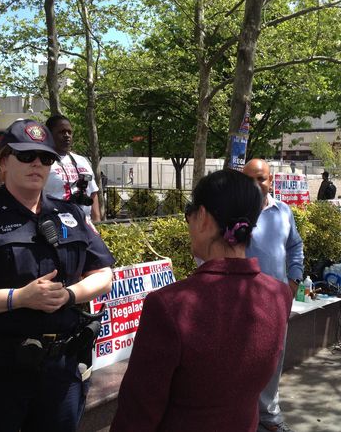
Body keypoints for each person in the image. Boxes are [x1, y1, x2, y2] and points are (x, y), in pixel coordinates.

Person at [0, 119, 115, 432]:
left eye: (46, 158)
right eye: (26, 156)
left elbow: (103, 273)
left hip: (60, 371)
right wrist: (18, 298)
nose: (37, 164)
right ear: (3, 162)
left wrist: (70, 295)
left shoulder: (68, 214)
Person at [110, 169, 292, 432]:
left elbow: (138, 411)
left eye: (190, 212)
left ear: (204, 218)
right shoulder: (278, 295)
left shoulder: (169, 306)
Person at [243, 158, 304, 432]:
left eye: (262, 179)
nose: (256, 185)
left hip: (276, 301)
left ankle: (268, 415)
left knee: (273, 358)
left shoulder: (283, 211)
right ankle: (244, 418)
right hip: (241, 303)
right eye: (250, 179)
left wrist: (293, 280)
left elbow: (295, 245)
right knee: (242, 360)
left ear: (271, 181)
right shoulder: (232, 213)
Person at [44, 115, 101, 222]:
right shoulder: (42, 162)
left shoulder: (82, 161)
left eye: (69, 132)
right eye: (62, 132)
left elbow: (93, 193)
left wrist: (98, 222)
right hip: (57, 224)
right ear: (49, 135)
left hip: (85, 224)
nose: (67, 136)